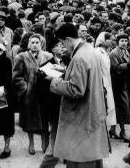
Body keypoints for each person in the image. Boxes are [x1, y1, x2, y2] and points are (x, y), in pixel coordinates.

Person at [46, 23, 109, 168]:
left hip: (81, 114)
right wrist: (64, 71)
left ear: (68, 39)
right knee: (92, 153)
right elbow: (86, 78)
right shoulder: (90, 50)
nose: (63, 47)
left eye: (62, 43)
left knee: (79, 156)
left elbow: (76, 90)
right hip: (93, 109)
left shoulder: (78, 57)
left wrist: (54, 81)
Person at [13, 33, 53, 154]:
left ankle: (44, 142)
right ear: (28, 44)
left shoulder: (47, 55)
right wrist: (25, 88)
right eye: (32, 42)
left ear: (41, 44)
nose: (35, 45)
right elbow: (16, 76)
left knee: (44, 120)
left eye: (37, 42)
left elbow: (53, 71)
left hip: (44, 94)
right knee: (29, 120)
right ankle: (31, 143)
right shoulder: (21, 56)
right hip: (29, 95)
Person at [109, 33, 130, 141]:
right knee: (122, 107)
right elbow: (115, 68)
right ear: (117, 42)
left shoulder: (126, 51)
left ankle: (113, 129)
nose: (124, 43)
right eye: (122, 41)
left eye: (125, 41)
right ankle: (123, 131)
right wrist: (129, 65)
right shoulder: (113, 53)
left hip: (125, 82)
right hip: (117, 83)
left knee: (121, 107)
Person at [95, 32, 117, 128]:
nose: (111, 41)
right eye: (109, 39)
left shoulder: (106, 52)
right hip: (102, 83)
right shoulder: (98, 52)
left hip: (107, 81)